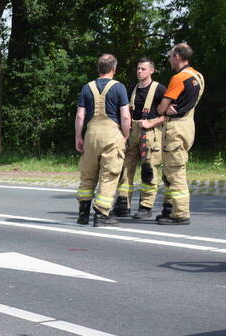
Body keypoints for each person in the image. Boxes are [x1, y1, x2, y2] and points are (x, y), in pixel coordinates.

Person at [74, 54, 130, 226]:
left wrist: (78, 136)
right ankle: (102, 215)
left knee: (88, 175)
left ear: (98, 69)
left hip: (91, 135)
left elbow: (79, 116)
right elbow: (126, 116)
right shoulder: (119, 88)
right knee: (109, 175)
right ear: (113, 69)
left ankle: (83, 214)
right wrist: (125, 135)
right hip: (112, 135)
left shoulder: (86, 88)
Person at [156, 43, 204, 225]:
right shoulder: (198, 76)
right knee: (171, 170)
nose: (169, 59)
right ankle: (169, 208)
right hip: (188, 125)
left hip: (175, 128)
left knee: (175, 172)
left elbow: (162, 108)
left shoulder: (178, 79)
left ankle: (181, 213)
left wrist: (164, 108)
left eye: (170, 56)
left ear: (177, 56)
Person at [114, 58, 166, 218]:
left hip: (150, 133)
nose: (139, 71)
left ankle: (146, 207)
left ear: (152, 70)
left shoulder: (159, 89)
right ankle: (123, 204)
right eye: (138, 68)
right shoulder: (132, 88)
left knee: (148, 170)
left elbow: (170, 114)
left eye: (143, 69)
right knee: (126, 168)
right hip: (132, 132)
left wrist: (152, 123)